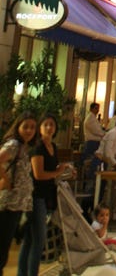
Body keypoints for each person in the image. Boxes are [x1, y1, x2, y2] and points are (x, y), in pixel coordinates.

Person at [17, 113, 75, 276]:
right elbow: (39, 174)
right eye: (46, 125)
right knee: (38, 240)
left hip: (47, 196)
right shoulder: (38, 147)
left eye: (52, 125)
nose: (49, 128)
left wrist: (64, 169)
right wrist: (58, 171)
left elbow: (53, 169)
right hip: (36, 197)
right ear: (40, 128)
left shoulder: (53, 147)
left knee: (30, 239)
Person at [0, 111, 37, 276]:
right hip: (8, 203)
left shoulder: (23, 147)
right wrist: (5, 179)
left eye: (32, 127)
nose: (29, 130)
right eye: (26, 127)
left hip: (16, 205)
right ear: (18, 127)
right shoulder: (14, 144)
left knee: (4, 246)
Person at [82, 102, 105, 172]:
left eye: (98, 108)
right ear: (91, 109)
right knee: (93, 161)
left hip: (95, 142)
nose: (97, 110)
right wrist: (104, 134)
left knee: (97, 161)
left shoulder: (93, 118)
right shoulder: (90, 118)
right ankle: (91, 176)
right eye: (96, 108)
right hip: (92, 143)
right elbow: (96, 131)